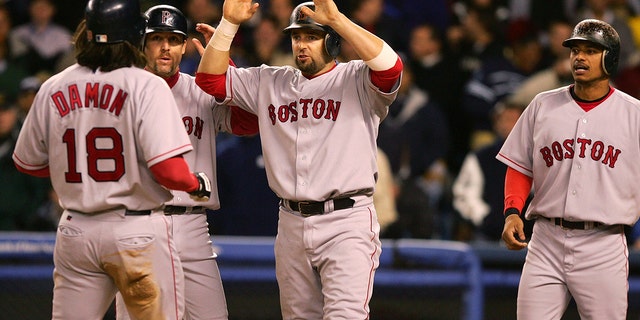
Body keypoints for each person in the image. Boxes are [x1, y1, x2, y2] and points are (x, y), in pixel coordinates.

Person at [195, 0, 403, 318]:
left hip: (346, 220)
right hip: (290, 220)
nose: (301, 44)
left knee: (344, 315)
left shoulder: (357, 79)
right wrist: (227, 26)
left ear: (332, 40)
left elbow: (391, 67)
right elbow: (210, 80)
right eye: (297, 37)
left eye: (311, 36)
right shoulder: (272, 81)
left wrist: (337, 19)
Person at [11, 1, 213, 319]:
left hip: (75, 230)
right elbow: (168, 171)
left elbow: (27, 163)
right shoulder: (146, 85)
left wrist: (80, 174)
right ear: (137, 37)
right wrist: (195, 183)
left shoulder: (54, 86)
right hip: (136, 231)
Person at [114, 5, 259, 320]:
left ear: (183, 46)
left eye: (174, 40)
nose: (166, 47)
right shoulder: (120, 92)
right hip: (138, 221)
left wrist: (225, 69)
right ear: (142, 43)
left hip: (192, 225)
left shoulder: (199, 90)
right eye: (157, 39)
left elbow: (248, 123)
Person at [498, 19, 636, 319]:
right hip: (546, 239)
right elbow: (520, 165)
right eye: (575, 50)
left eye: (590, 50)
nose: (579, 57)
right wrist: (512, 212)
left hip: (603, 244)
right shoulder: (542, 104)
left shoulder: (633, 115)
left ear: (610, 58)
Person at [452, 100, 533, 242]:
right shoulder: (480, 157)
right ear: (496, 124)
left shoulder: (536, 156)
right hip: (488, 234)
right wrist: (485, 218)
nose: (509, 125)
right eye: (505, 120)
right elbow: (465, 195)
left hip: (530, 234)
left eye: (515, 120)